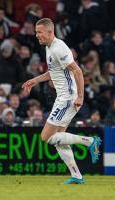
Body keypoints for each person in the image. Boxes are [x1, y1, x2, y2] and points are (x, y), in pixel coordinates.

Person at [22, 18, 101, 185]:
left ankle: (90, 141)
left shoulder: (59, 48)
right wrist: (35, 80)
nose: (37, 36)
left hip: (68, 98)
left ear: (50, 32)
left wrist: (80, 96)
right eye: (36, 32)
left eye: (39, 32)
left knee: (46, 137)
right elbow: (54, 72)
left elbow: (78, 71)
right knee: (58, 139)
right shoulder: (49, 48)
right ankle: (77, 176)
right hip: (63, 97)